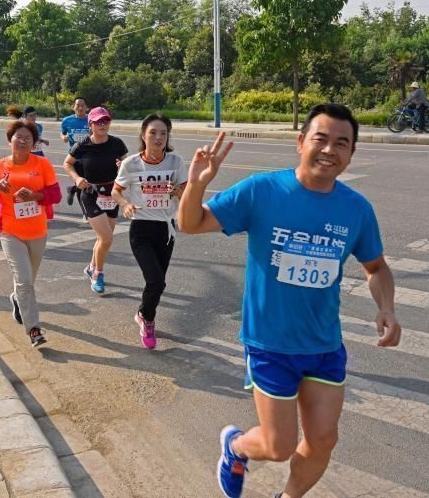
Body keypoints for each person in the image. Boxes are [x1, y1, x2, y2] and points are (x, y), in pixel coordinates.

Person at [177, 103, 402, 498]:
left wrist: (386, 308)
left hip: (324, 345)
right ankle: (235, 447)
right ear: (300, 143)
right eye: (320, 139)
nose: (329, 150)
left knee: (322, 441)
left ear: (351, 154)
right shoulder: (262, 191)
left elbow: (377, 267)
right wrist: (197, 184)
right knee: (278, 447)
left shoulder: (356, 210)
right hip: (270, 344)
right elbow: (191, 224)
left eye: (341, 143)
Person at [0, 120, 61, 347]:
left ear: (34, 143)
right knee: (23, 281)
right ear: (10, 139)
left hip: (38, 232)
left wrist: (35, 196)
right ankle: (33, 329)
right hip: (11, 233)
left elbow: (55, 194)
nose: (22, 141)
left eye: (28, 138)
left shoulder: (42, 164)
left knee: (28, 281)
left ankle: (16, 300)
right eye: (18, 137)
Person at [112, 113, 186, 349]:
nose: (158, 137)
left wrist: (176, 191)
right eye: (153, 132)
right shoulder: (131, 163)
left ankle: (144, 313)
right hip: (141, 228)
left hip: (165, 229)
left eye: (163, 133)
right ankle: (148, 319)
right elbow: (116, 190)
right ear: (143, 135)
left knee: (158, 281)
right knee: (155, 279)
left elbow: (186, 194)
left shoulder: (175, 162)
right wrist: (125, 204)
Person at [63, 107, 128, 294]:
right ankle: (98, 274)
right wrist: (76, 178)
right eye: (98, 122)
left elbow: (129, 164)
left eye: (106, 121)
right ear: (90, 124)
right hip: (91, 194)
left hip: (112, 194)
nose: (103, 125)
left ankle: (91, 266)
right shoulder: (82, 145)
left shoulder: (117, 143)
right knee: (107, 238)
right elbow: (67, 163)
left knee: (103, 238)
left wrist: (123, 166)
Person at [60, 97, 90, 206]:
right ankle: (85, 211)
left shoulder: (91, 120)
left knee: (88, 181)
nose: (80, 107)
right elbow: (63, 133)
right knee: (81, 181)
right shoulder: (67, 120)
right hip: (75, 156)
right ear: (73, 107)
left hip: (89, 155)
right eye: (78, 105)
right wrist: (64, 137)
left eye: (83, 105)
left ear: (87, 108)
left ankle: (72, 189)